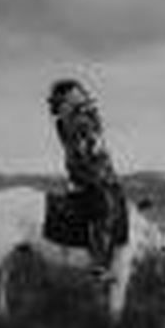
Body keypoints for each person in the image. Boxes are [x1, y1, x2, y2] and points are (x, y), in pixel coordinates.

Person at [46, 78, 123, 271]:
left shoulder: (80, 117)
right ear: (64, 102)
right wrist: (85, 110)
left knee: (112, 200)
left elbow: (94, 136)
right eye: (73, 96)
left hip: (95, 171)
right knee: (104, 209)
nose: (81, 98)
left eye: (79, 95)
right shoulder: (72, 121)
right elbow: (85, 142)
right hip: (89, 173)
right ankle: (100, 261)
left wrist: (86, 108)